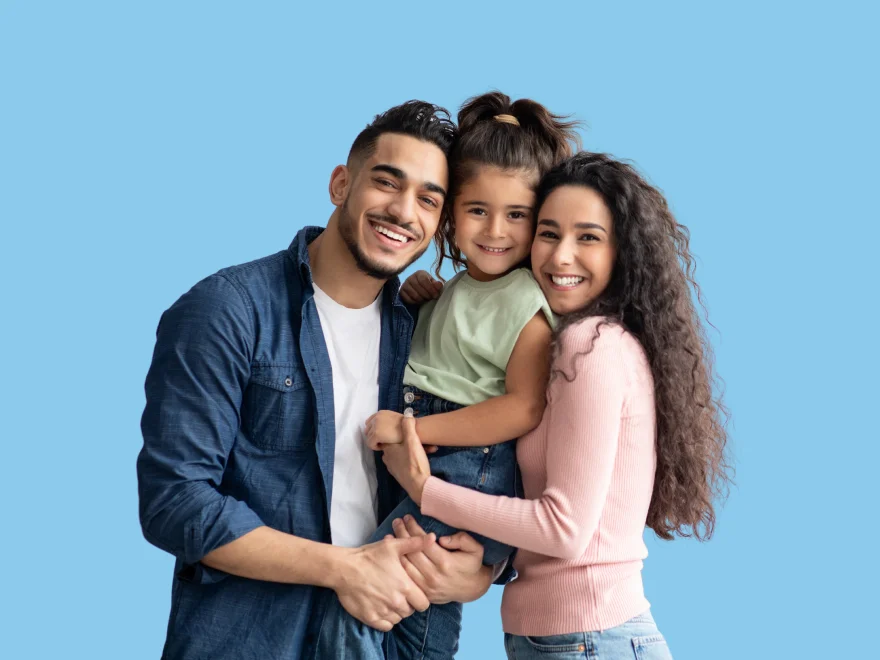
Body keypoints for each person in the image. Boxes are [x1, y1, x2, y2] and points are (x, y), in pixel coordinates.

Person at [136, 101, 501, 660]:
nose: (404, 211)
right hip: (252, 640)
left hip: (385, 641)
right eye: (387, 182)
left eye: (428, 199)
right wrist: (345, 570)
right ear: (340, 184)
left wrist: (485, 568)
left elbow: (484, 464)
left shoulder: (423, 332)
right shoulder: (227, 311)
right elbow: (175, 501)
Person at [382, 152, 733, 659]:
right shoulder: (559, 342)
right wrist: (487, 565)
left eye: (587, 237)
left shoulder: (592, 345)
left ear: (622, 252)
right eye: (548, 233)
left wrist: (425, 489)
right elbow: (556, 523)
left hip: (591, 639)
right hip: (567, 638)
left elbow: (563, 530)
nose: (561, 257)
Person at [313, 92, 580, 660]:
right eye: (478, 210)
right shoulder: (458, 289)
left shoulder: (525, 301)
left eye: (517, 216)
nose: (496, 231)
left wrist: (415, 433)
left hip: (466, 468)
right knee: (412, 610)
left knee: (368, 596)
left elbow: (522, 409)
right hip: (445, 460)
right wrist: (423, 301)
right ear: (450, 217)